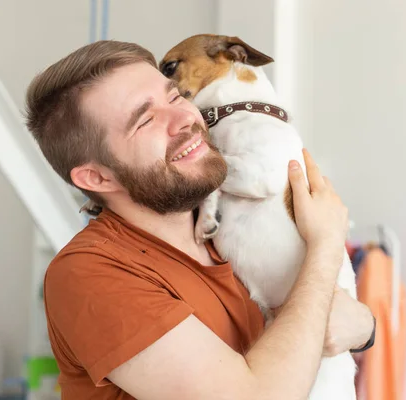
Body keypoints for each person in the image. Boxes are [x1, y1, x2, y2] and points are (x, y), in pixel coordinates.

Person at [24, 40, 375, 400]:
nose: (186, 118)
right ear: (97, 179)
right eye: (145, 120)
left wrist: (364, 327)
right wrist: (326, 244)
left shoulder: (224, 222)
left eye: (175, 97)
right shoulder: (91, 273)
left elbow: (335, 322)